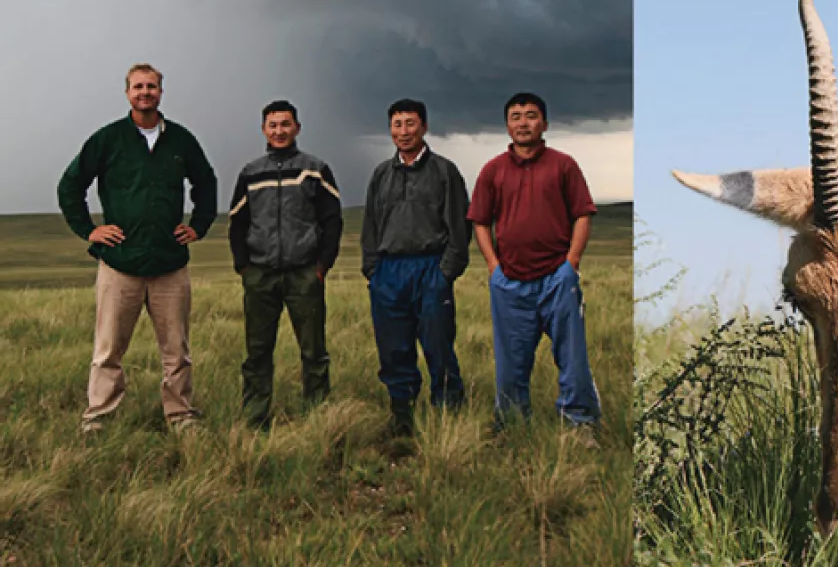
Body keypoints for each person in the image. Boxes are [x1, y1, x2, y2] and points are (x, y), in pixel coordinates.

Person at [57, 63, 218, 433]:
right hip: (120, 263)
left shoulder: (181, 140)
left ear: (161, 91)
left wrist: (198, 225)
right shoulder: (107, 139)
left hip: (169, 264)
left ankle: (180, 415)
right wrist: (89, 230)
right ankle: (99, 416)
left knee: (176, 350)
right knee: (108, 350)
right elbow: (70, 185)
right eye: (138, 86)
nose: (145, 92)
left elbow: (206, 182)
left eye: (151, 86)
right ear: (127, 92)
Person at [468, 92, 602, 435]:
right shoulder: (492, 170)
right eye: (516, 117)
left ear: (544, 123)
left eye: (530, 116)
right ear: (507, 125)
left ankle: (579, 423)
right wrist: (494, 267)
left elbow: (583, 214)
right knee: (510, 359)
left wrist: (571, 264)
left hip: (557, 278)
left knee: (572, 356)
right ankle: (511, 424)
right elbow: (480, 221)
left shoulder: (564, 165)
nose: (523, 123)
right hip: (509, 282)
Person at [227, 99, 343, 429]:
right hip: (260, 275)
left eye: (285, 124)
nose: (279, 131)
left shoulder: (315, 169)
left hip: (304, 274)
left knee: (313, 351)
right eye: (273, 125)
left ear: (297, 128)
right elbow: (237, 222)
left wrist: (321, 266)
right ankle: (255, 418)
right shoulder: (251, 173)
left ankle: (317, 418)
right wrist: (244, 267)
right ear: (264, 129)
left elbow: (332, 221)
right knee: (257, 351)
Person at [361, 98, 472, 437]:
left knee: (438, 344)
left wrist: (445, 273)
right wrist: (373, 271)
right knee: (393, 347)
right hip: (389, 272)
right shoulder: (381, 174)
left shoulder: (444, 171)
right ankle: (402, 416)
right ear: (390, 129)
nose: (404, 131)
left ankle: (447, 416)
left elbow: (460, 227)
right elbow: (370, 226)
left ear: (424, 127)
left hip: (430, 269)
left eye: (410, 123)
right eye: (397, 124)